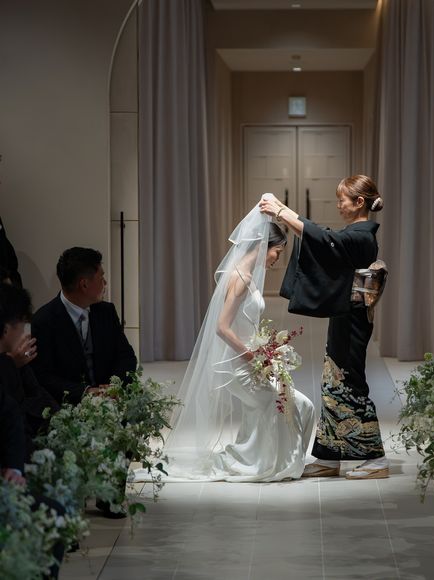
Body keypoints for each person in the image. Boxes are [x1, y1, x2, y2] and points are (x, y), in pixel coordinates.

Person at [160, 195, 315, 482]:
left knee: (298, 404)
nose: (276, 259)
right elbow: (222, 327)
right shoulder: (241, 279)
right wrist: (253, 356)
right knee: (283, 403)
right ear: (263, 245)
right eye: (277, 252)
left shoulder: (247, 275)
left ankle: (262, 457)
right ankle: (257, 461)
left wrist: (265, 351)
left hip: (247, 360)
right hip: (239, 365)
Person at [259, 175, 389, 480]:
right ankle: (330, 456)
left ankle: (376, 458)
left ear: (359, 202)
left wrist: (282, 211)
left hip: (354, 320)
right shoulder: (356, 234)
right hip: (346, 315)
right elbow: (324, 239)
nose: (338, 205)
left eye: (342, 199)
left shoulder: (363, 237)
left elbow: (325, 240)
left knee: (351, 381)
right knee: (333, 381)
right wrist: (285, 213)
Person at [0, 283, 64, 579]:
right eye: (20, 325)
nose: (25, 332)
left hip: (16, 456)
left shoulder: (13, 361)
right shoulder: (9, 363)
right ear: (6, 329)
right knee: (52, 514)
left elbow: (20, 409)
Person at [31, 247, 137, 406]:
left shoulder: (106, 311)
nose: (105, 283)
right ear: (84, 284)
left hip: (112, 403)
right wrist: (85, 392)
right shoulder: (43, 321)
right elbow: (43, 377)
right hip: (67, 408)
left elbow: (126, 356)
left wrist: (115, 386)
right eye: (101, 278)